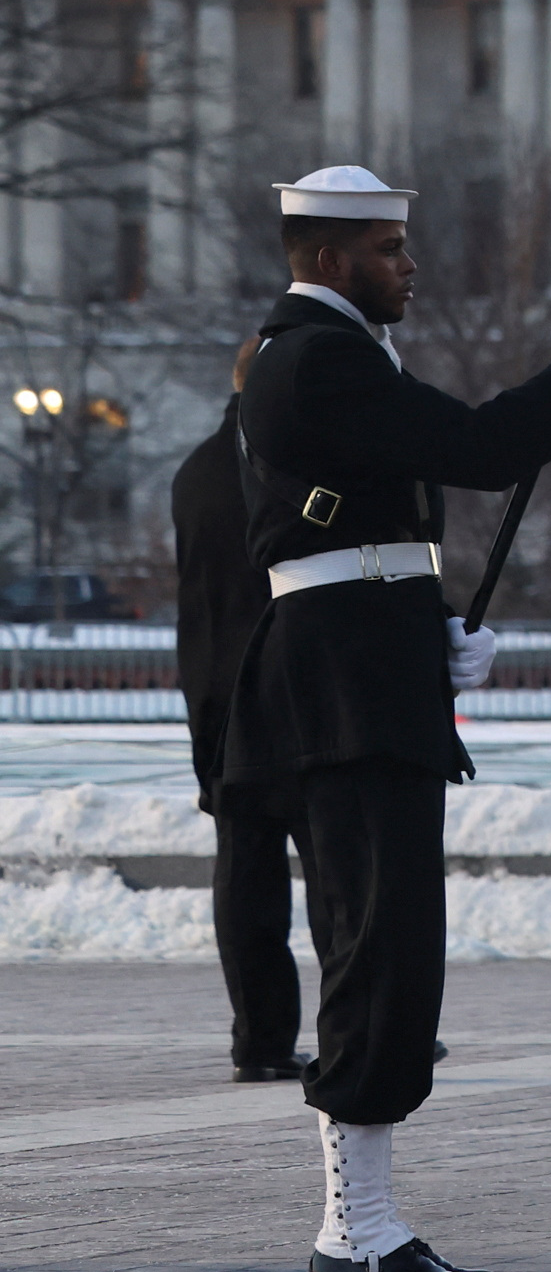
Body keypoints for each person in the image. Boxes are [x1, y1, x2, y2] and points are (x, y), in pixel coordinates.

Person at [223, 162, 551, 1272]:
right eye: (391, 248)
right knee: (376, 942)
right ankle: (357, 1231)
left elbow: (377, 519)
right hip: (343, 681)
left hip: (369, 662)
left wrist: (429, 622)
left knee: (390, 937)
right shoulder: (317, 356)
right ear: (327, 256)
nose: (410, 265)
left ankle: (363, 1227)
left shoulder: (339, 356)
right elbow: (484, 447)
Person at [169, 354, 304, 1085]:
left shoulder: (194, 469)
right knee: (340, 867)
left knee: (245, 871)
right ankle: (368, 1026)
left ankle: (261, 1038)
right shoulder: (283, 467)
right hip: (288, 684)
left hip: (215, 692)